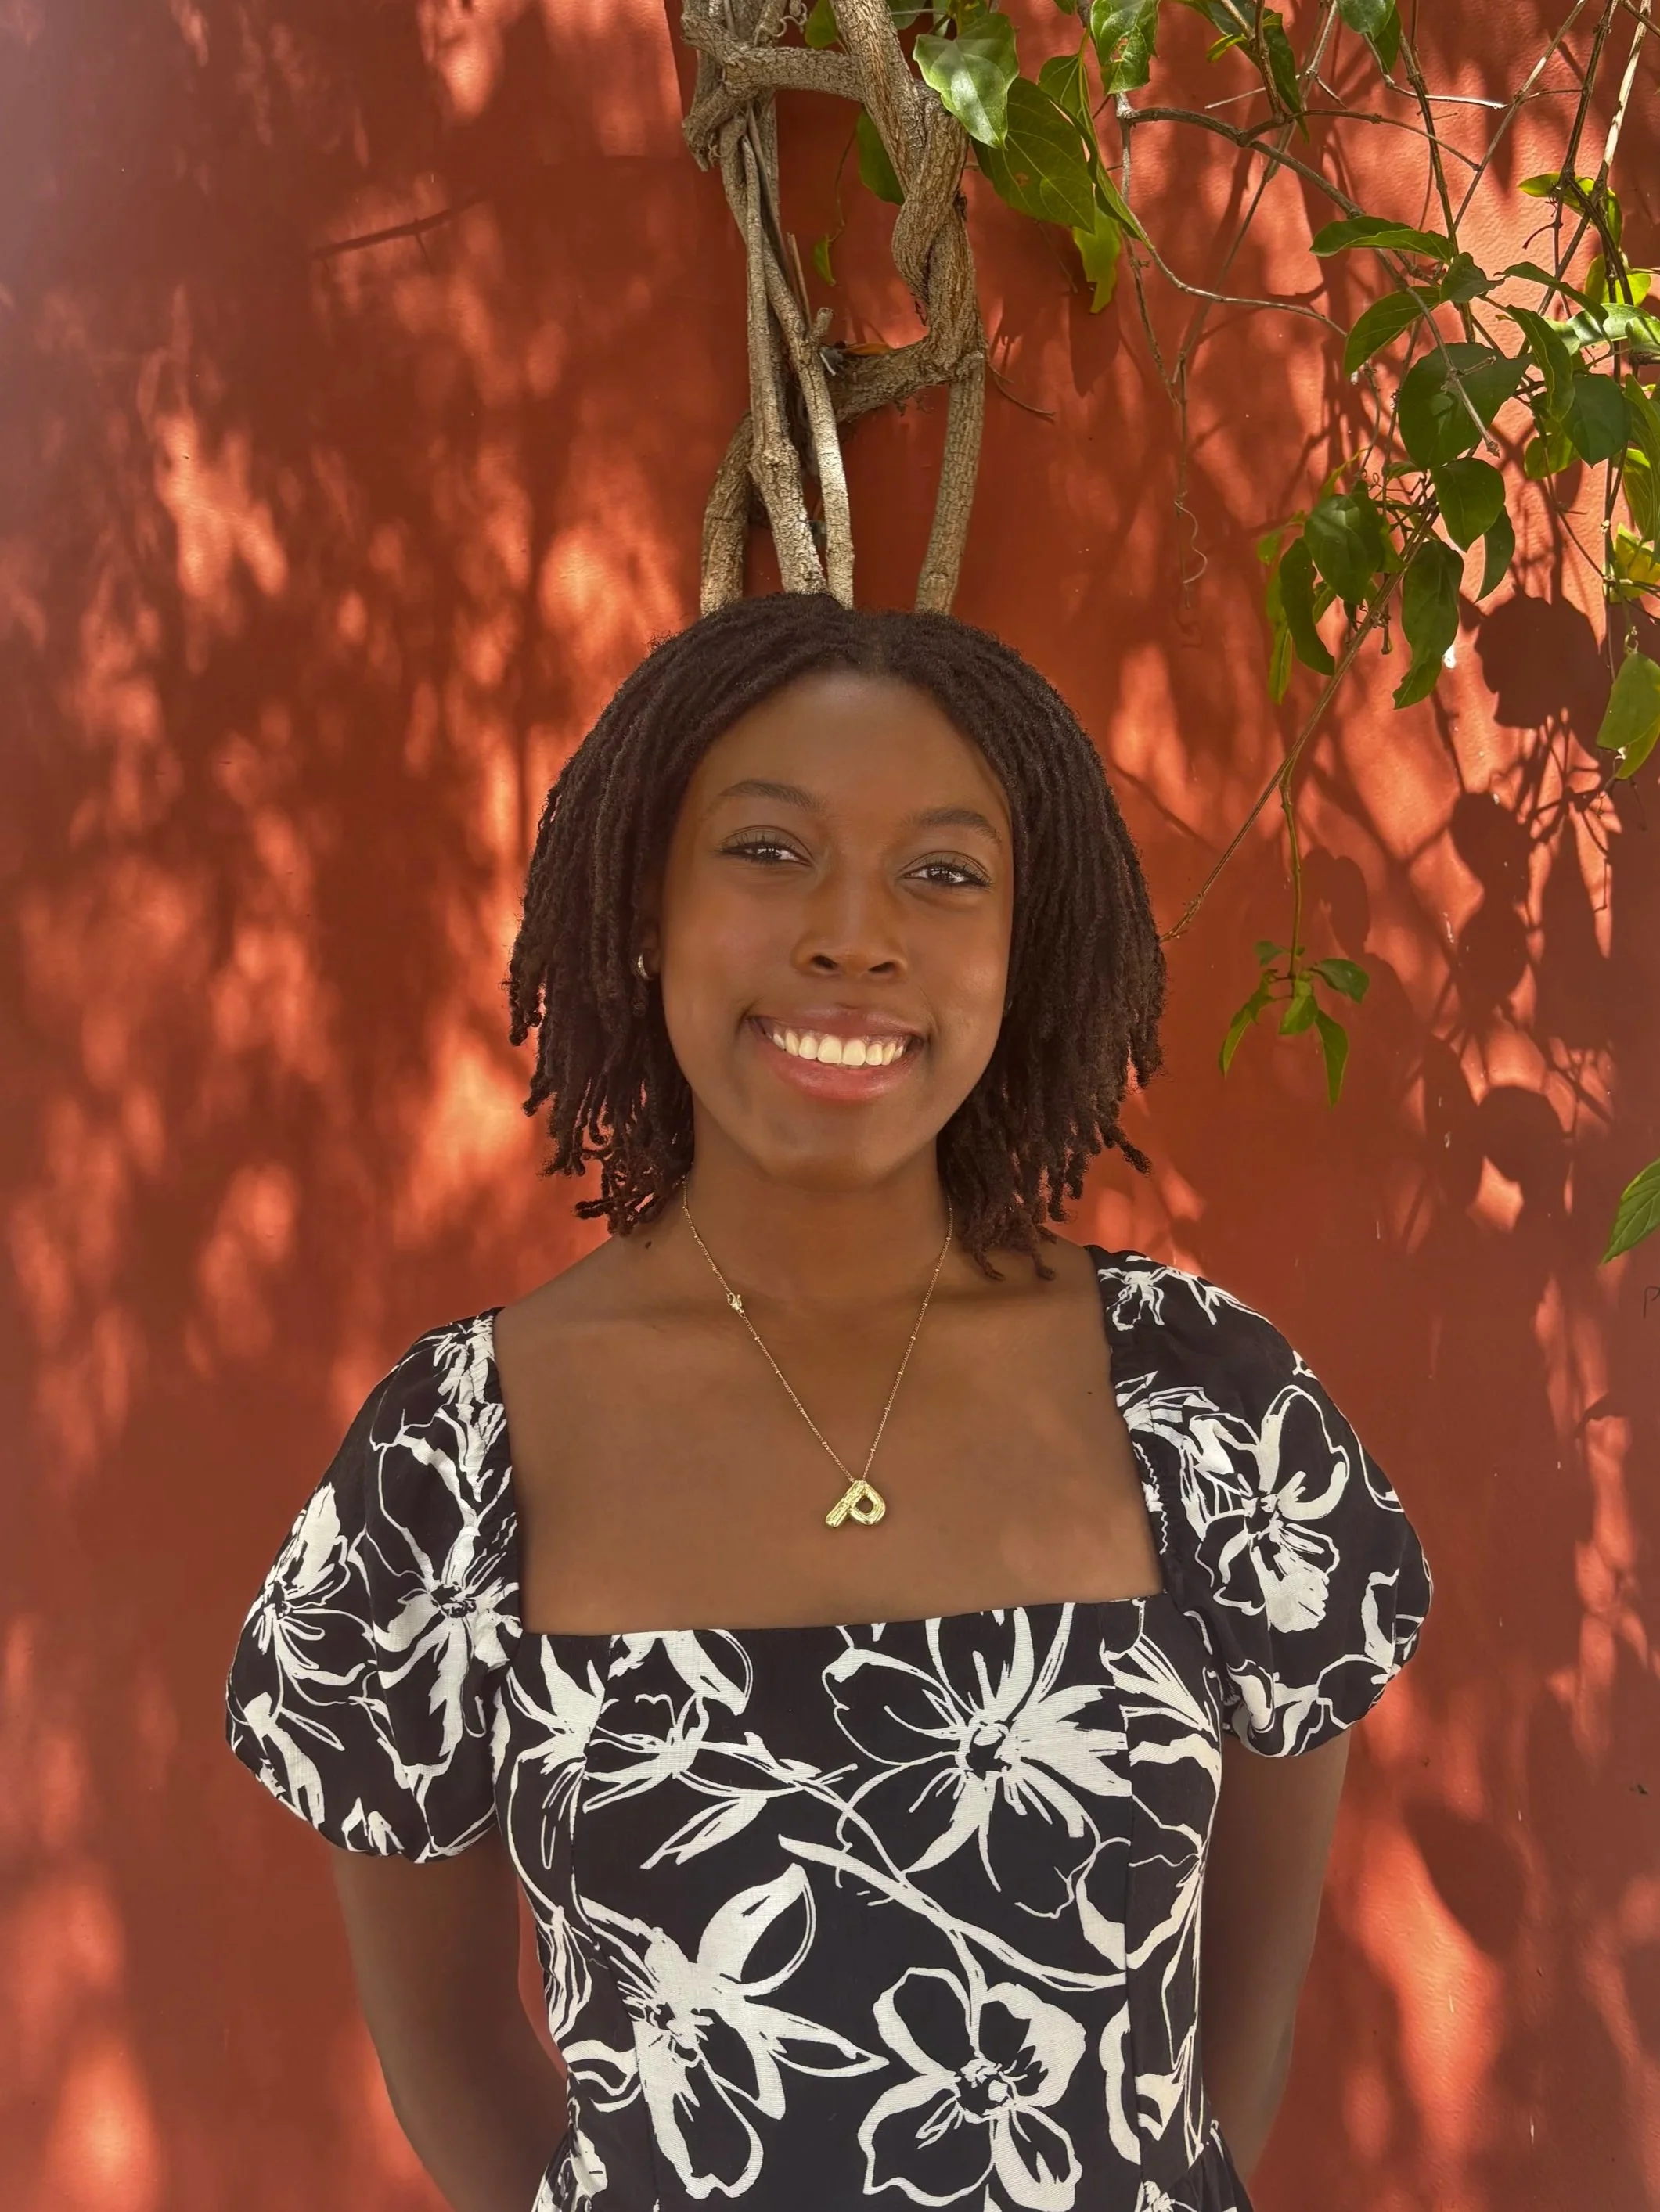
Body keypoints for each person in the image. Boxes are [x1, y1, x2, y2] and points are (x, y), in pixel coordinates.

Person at [226, 593, 1431, 2212]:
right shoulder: (453, 1456)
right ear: (643, 908)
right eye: (769, 853)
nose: (853, 936)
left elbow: (1226, 2048)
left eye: (943, 874)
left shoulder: (1211, 1409)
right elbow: (445, 2047)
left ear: (1025, 947)